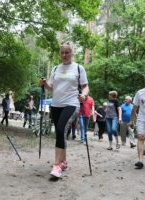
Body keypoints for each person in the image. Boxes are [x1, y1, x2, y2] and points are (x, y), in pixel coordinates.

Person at [40, 42, 89, 178]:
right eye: (62, 52)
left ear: (72, 53)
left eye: (67, 52)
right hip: (56, 105)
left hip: (72, 103)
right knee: (60, 133)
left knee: (61, 129)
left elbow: (85, 86)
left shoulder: (79, 68)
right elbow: (51, 87)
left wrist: (84, 95)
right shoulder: (56, 68)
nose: (64, 55)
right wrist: (45, 84)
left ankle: (57, 165)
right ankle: (64, 161)